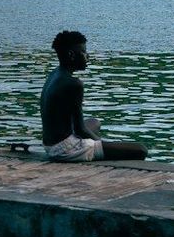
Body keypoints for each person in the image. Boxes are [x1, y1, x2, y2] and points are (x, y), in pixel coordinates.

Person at [40, 29, 147, 161]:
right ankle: (96, 148)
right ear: (71, 55)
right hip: (65, 149)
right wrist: (102, 143)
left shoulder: (54, 75)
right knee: (141, 150)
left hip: (49, 145)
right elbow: (80, 130)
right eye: (83, 52)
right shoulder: (74, 84)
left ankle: (98, 145)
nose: (87, 56)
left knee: (94, 122)